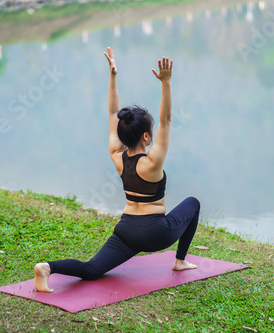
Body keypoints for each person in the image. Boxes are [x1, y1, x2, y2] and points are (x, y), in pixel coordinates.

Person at [34, 47, 200, 292]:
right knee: (193, 202)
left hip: (126, 231)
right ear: (146, 136)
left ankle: (47, 267)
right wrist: (166, 83)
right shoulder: (152, 162)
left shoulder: (117, 155)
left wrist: (113, 76)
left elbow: (113, 112)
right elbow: (166, 120)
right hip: (155, 233)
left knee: (91, 269)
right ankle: (180, 260)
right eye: (151, 130)